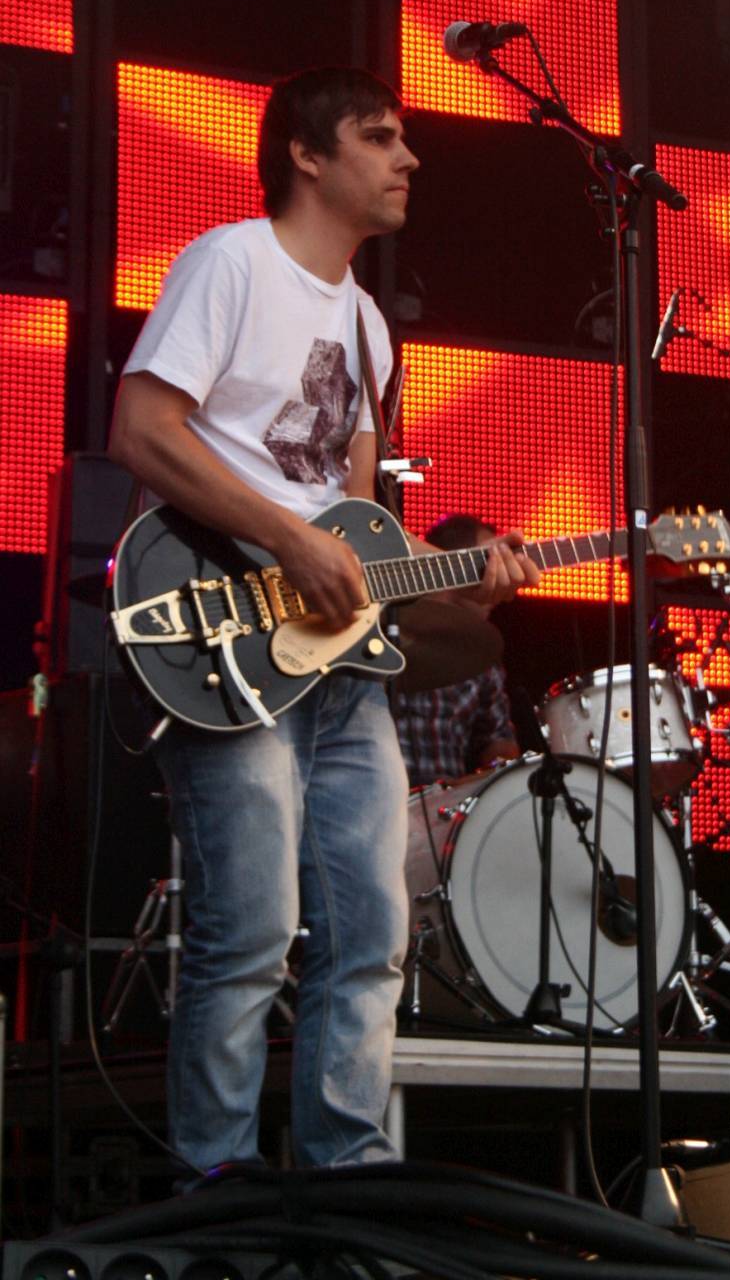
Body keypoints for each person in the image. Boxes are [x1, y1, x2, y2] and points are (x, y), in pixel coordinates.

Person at [107, 66, 540, 1175]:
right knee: (249, 932)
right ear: (306, 153)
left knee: (373, 937)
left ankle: (346, 1171)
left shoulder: (367, 327)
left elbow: (358, 531)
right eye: (380, 137)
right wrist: (287, 540)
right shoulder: (231, 262)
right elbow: (142, 431)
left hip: (340, 667)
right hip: (226, 632)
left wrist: (463, 580)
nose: (409, 158)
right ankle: (215, 1182)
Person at [393, 513, 523, 787]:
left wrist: (497, 774)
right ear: (454, 566)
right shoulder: (384, 628)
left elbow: (498, 741)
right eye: (485, 566)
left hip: (446, 805)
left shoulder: (483, 658)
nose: (494, 578)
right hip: (373, 793)